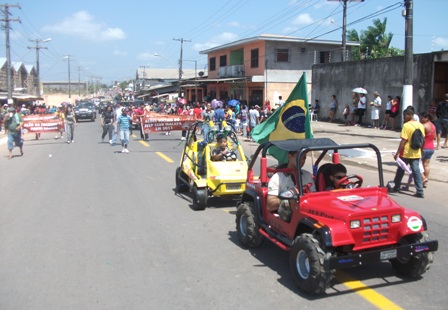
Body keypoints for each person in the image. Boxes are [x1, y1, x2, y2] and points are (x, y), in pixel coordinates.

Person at [267, 151, 316, 220]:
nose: (302, 161)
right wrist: (287, 200)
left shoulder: (307, 175)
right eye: (298, 157)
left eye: (304, 158)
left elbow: (314, 196)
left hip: (306, 213)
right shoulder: (277, 177)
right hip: (287, 217)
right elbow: (269, 205)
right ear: (289, 157)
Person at [391, 107, 425, 198]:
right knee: (416, 171)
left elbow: (403, 141)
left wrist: (398, 153)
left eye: (405, 115)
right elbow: (423, 140)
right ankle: (420, 191)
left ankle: (396, 187)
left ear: (410, 115)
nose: (404, 117)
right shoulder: (420, 125)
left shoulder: (406, 126)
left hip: (406, 153)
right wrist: (421, 152)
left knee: (400, 170)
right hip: (416, 152)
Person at [420, 111, 435, 188]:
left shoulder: (424, 126)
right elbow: (434, 137)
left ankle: (424, 178)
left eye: (422, 118)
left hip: (424, 147)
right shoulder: (433, 126)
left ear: (427, 118)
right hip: (431, 147)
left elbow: (421, 138)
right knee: (426, 165)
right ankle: (425, 181)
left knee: (417, 165)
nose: (421, 119)